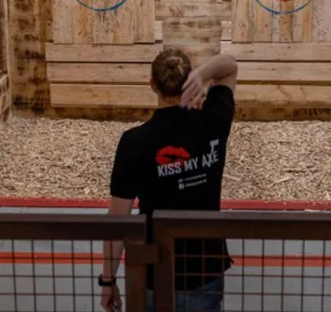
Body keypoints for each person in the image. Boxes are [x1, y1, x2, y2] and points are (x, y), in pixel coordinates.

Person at [99, 49, 239, 312]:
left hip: (155, 270)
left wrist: (108, 280)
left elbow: (118, 221)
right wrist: (203, 73)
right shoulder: (214, 120)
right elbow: (229, 65)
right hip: (205, 268)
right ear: (190, 81)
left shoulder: (134, 142)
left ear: (153, 85)